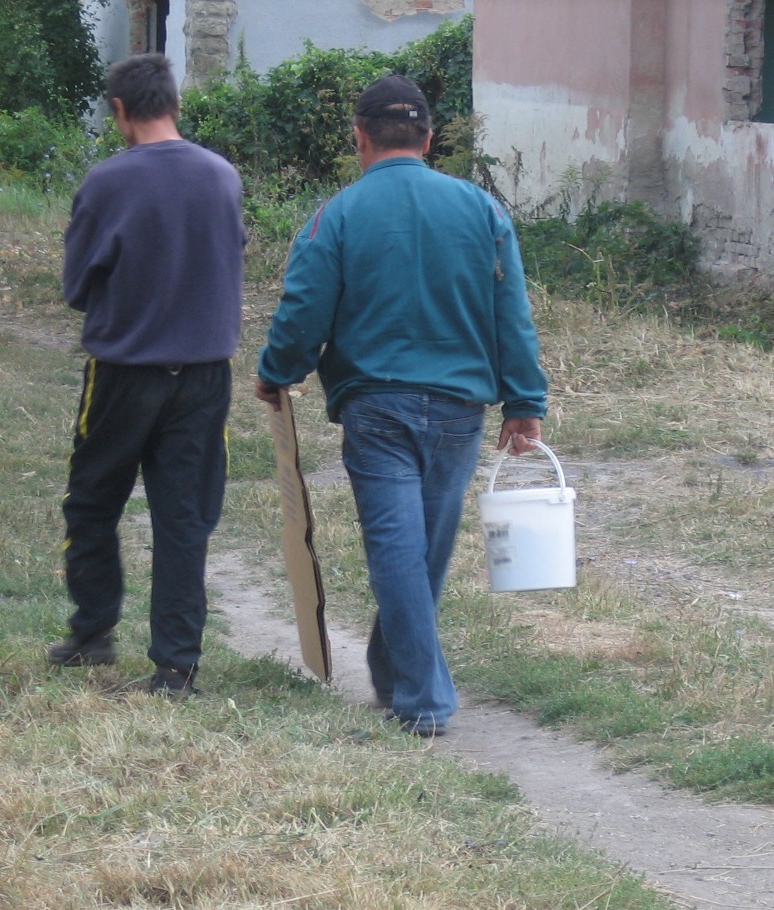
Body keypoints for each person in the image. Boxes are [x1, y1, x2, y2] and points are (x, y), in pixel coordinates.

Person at [256, 74, 548, 737]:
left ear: (359, 138)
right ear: (429, 138)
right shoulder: (482, 210)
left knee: (397, 551)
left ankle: (421, 700)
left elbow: (304, 311)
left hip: (377, 407)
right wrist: (524, 401)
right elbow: (512, 312)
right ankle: (395, 676)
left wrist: (277, 372)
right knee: (422, 553)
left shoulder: (337, 215)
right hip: (459, 410)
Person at [47, 52, 246, 697]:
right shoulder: (222, 176)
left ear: (120, 110)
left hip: (123, 372)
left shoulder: (107, 181)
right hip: (204, 375)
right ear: (175, 104)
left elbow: (77, 287)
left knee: (92, 501)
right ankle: (176, 665)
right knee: (184, 517)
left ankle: (93, 630)